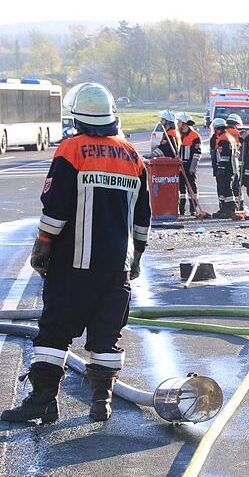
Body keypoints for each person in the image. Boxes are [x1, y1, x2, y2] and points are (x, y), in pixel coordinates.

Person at [1, 83, 150, 424]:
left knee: (54, 333)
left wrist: (42, 246)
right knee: (105, 337)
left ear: (78, 118)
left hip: (74, 265)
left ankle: (42, 402)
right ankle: (102, 402)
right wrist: (136, 257)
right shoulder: (132, 156)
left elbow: (56, 207)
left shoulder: (72, 149)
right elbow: (143, 218)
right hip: (118, 268)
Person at [210, 118, 241, 218]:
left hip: (226, 169)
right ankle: (224, 209)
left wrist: (221, 168)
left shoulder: (224, 139)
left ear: (217, 129)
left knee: (225, 189)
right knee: (223, 189)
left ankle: (229, 209)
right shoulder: (227, 137)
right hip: (230, 168)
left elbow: (224, 156)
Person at [174, 112, 202, 216]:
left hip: (189, 166)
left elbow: (197, 153)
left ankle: (193, 208)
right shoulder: (178, 135)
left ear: (184, 123)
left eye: (180, 122)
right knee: (180, 189)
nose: (178, 124)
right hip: (179, 167)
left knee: (191, 188)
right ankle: (181, 210)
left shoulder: (194, 136)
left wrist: (193, 167)